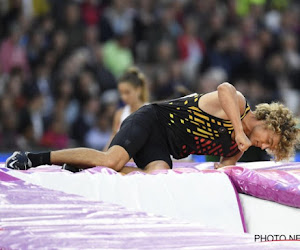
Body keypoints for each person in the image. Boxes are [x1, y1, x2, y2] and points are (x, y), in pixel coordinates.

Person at [6, 82, 299, 173]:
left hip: (164, 146)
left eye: (270, 148)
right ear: (267, 121)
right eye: (269, 140)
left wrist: (230, 169)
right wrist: (237, 129)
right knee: (113, 160)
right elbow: (224, 87)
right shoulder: (236, 103)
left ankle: (83, 166)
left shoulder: (238, 148)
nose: (265, 147)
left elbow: (223, 170)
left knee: (158, 179)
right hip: (151, 120)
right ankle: (34, 158)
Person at [104, 66, 149, 150]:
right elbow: (112, 140)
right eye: (121, 93)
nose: (123, 97)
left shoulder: (150, 111)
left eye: (127, 92)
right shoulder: (120, 114)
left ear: (138, 90)